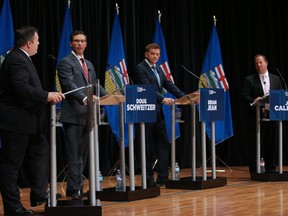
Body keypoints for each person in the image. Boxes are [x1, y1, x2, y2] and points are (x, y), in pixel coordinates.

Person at [0, 26, 64, 216]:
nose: (38, 44)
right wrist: (46, 95)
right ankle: (13, 208)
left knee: (40, 153)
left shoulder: (21, 57)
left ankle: (39, 194)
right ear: (28, 43)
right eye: (36, 41)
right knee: (11, 166)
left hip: (30, 122)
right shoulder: (17, 59)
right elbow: (20, 88)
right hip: (16, 122)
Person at [58, 30, 107, 200]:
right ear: (71, 43)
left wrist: (108, 96)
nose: (79, 44)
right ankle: (74, 189)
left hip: (88, 116)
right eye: (76, 41)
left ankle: (78, 186)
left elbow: (94, 84)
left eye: (82, 41)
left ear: (86, 44)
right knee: (75, 154)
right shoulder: (65, 62)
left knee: (84, 154)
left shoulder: (89, 64)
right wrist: (85, 98)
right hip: (73, 115)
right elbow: (68, 84)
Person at [134, 43, 185, 187]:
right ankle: (148, 179)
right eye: (152, 54)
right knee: (147, 147)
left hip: (158, 114)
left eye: (157, 54)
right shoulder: (140, 68)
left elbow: (169, 84)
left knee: (163, 144)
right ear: (146, 54)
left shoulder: (159, 69)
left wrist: (184, 97)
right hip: (145, 112)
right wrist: (163, 99)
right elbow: (147, 88)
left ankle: (163, 178)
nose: (155, 56)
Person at [243, 54, 283, 174]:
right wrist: (256, 100)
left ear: (266, 63)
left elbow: (281, 94)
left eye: (260, 62)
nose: (258, 65)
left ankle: (271, 169)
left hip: (272, 118)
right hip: (256, 119)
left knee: (271, 145)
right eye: (256, 63)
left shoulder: (276, 79)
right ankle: (255, 171)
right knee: (255, 146)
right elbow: (245, 96)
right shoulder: (249, 79)